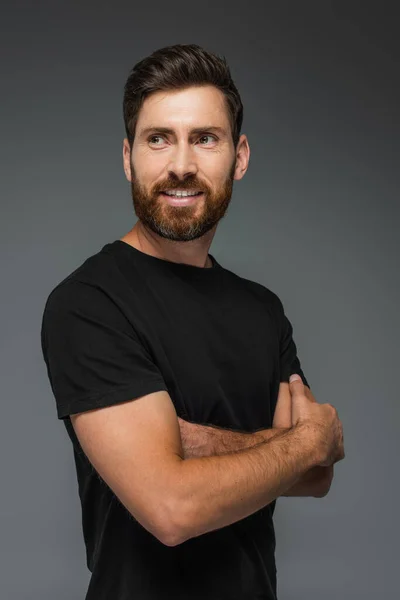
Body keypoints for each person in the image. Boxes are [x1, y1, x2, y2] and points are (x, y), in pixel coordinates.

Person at [40, 43, 344, 600]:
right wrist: (297, 442)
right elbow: (171, 507)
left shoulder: (262, 310)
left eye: (205, 138)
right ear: (129, 157)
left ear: (240, 156)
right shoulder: (89, 301)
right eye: (159, 139)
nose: (182, 164)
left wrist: (185, 442)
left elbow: (317, 476)